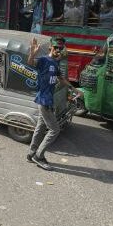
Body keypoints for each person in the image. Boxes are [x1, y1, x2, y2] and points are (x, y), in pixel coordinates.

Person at [26, 36, 82, 170]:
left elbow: (61, 79)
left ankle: (31, 153)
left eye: (60, 48)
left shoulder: (55, 62)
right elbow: (30, 63)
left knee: (40, 127)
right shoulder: (45, 60)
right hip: (44, 100)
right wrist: (33, 51)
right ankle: (39, 156)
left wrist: (75, 89)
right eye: (56, 47)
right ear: (51, 47)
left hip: (48, 99)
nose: (58, 50)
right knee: (54, 130)